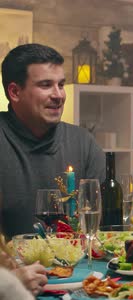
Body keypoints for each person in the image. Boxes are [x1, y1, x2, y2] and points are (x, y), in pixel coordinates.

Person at [0, 43, 105, 239]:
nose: (59, 95)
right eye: (45, 85)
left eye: (61, 84)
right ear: (15, 92)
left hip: (77, 267)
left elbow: (100, 233)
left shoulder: (84, 144)